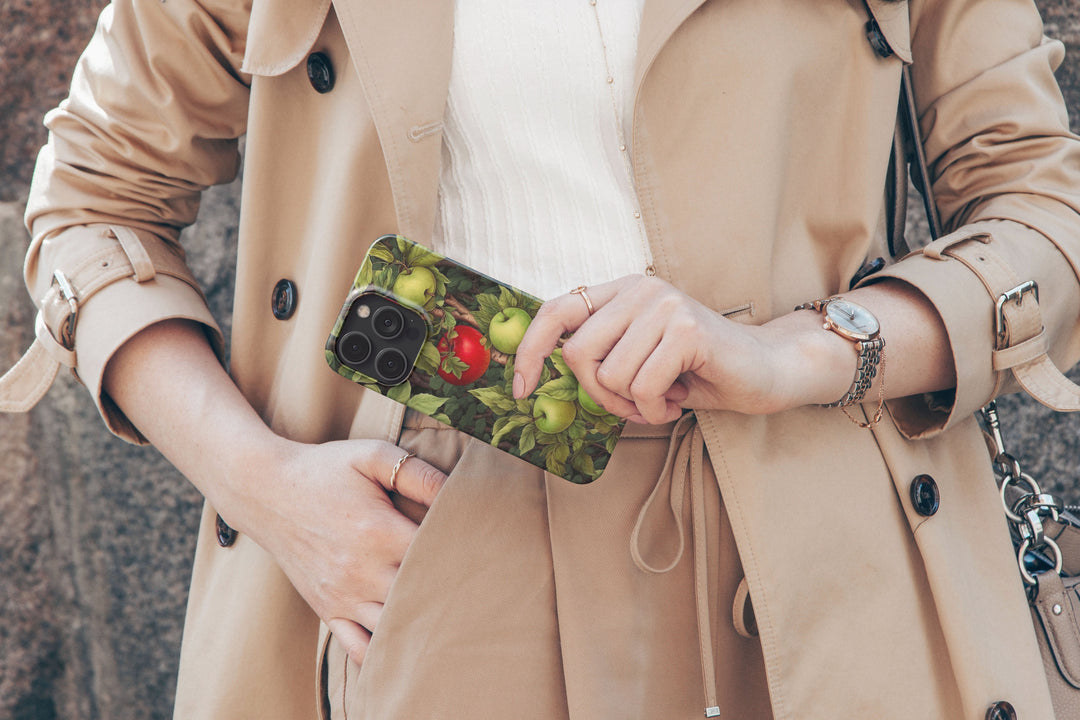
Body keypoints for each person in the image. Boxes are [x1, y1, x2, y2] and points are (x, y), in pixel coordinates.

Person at [3, 0, 1079, 717]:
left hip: (819, 554)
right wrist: (271, 491)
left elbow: (1042, 195)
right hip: (421, 547)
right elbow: (94, 201)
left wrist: (801, 352)